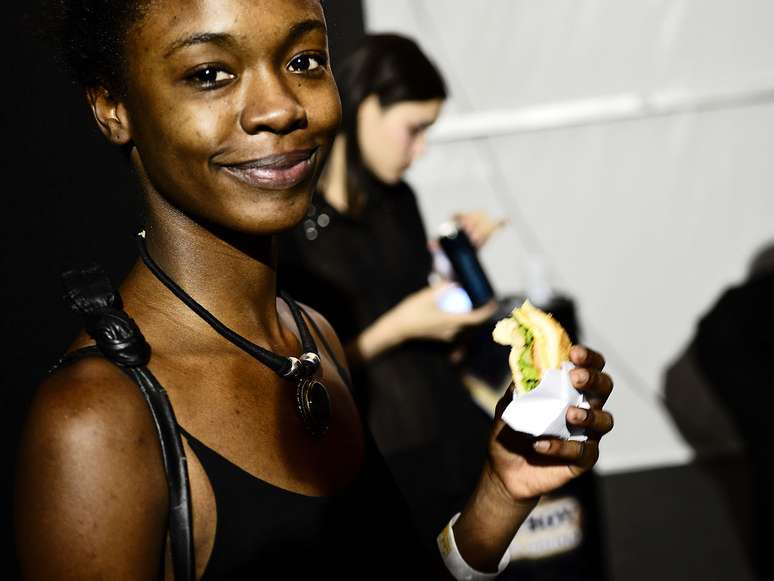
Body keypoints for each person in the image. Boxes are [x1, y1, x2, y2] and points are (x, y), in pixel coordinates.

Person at [14, 1, 614, 579]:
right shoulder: (96, 422)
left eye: (304, 62)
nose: (280, 108)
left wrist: (500, 494)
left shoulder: (311, 336)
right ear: (111, 106)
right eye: (209, 74)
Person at [278, 33, 505, 545]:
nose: (421, 149)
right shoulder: (291, 226)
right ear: (366, 106)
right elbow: (301, 377)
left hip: (450, 434)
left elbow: (409, 296)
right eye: (414, 129)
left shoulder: (398, 201)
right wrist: (399, 328)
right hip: (382, 459)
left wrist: (451, 265)